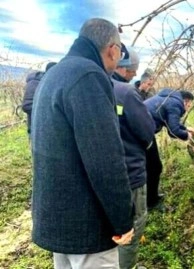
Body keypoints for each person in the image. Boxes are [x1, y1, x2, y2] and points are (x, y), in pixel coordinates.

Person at [31, 18, 134, 269]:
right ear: (113, 49)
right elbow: (105, 159)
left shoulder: (55, 74)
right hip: (87, 224)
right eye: (119, 52)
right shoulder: (89, 76)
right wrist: (123, 220)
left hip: (58, 216)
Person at [112, 60, 156, 268]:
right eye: (132, 70)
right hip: (130, 172)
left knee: (111, 227)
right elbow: (147, 132)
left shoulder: (93, 87)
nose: (133, 74)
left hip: (102, 174)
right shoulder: (126, 92)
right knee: (133, 225)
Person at [144, 89, 194, 210]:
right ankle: (151, 202)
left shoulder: (168, 98)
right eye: (189, 105)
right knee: (155, 167)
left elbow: (170, 123)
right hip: (142, 133)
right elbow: (173, 131)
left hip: (139, 129)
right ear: (186, 101)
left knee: (151, 166)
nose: (189, 107)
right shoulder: (175, 104)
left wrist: (186, 128)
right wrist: (188, 136)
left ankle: (150, 197)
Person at [21, 62, 56, 135]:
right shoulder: (35, 82)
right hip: (36, 128)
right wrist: (50, 112)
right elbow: (27, 106)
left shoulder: (50, 82)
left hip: (47, 128)